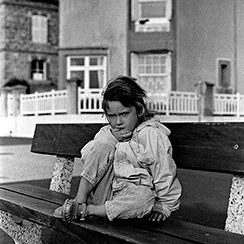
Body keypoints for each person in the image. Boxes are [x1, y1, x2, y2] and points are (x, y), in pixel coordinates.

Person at [53, 75, 182, 222]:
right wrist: (111, 139)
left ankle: (87, 211)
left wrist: (163, 205)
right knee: (101, 145)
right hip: (104, 190)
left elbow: (163, 171)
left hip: (130, 195)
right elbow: (88, 157)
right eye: (112, 116)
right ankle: (79, 201)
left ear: (139, 110)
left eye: (124, 114)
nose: (118, 122)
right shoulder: (107, 133)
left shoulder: (150, 134)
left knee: (145, 198)